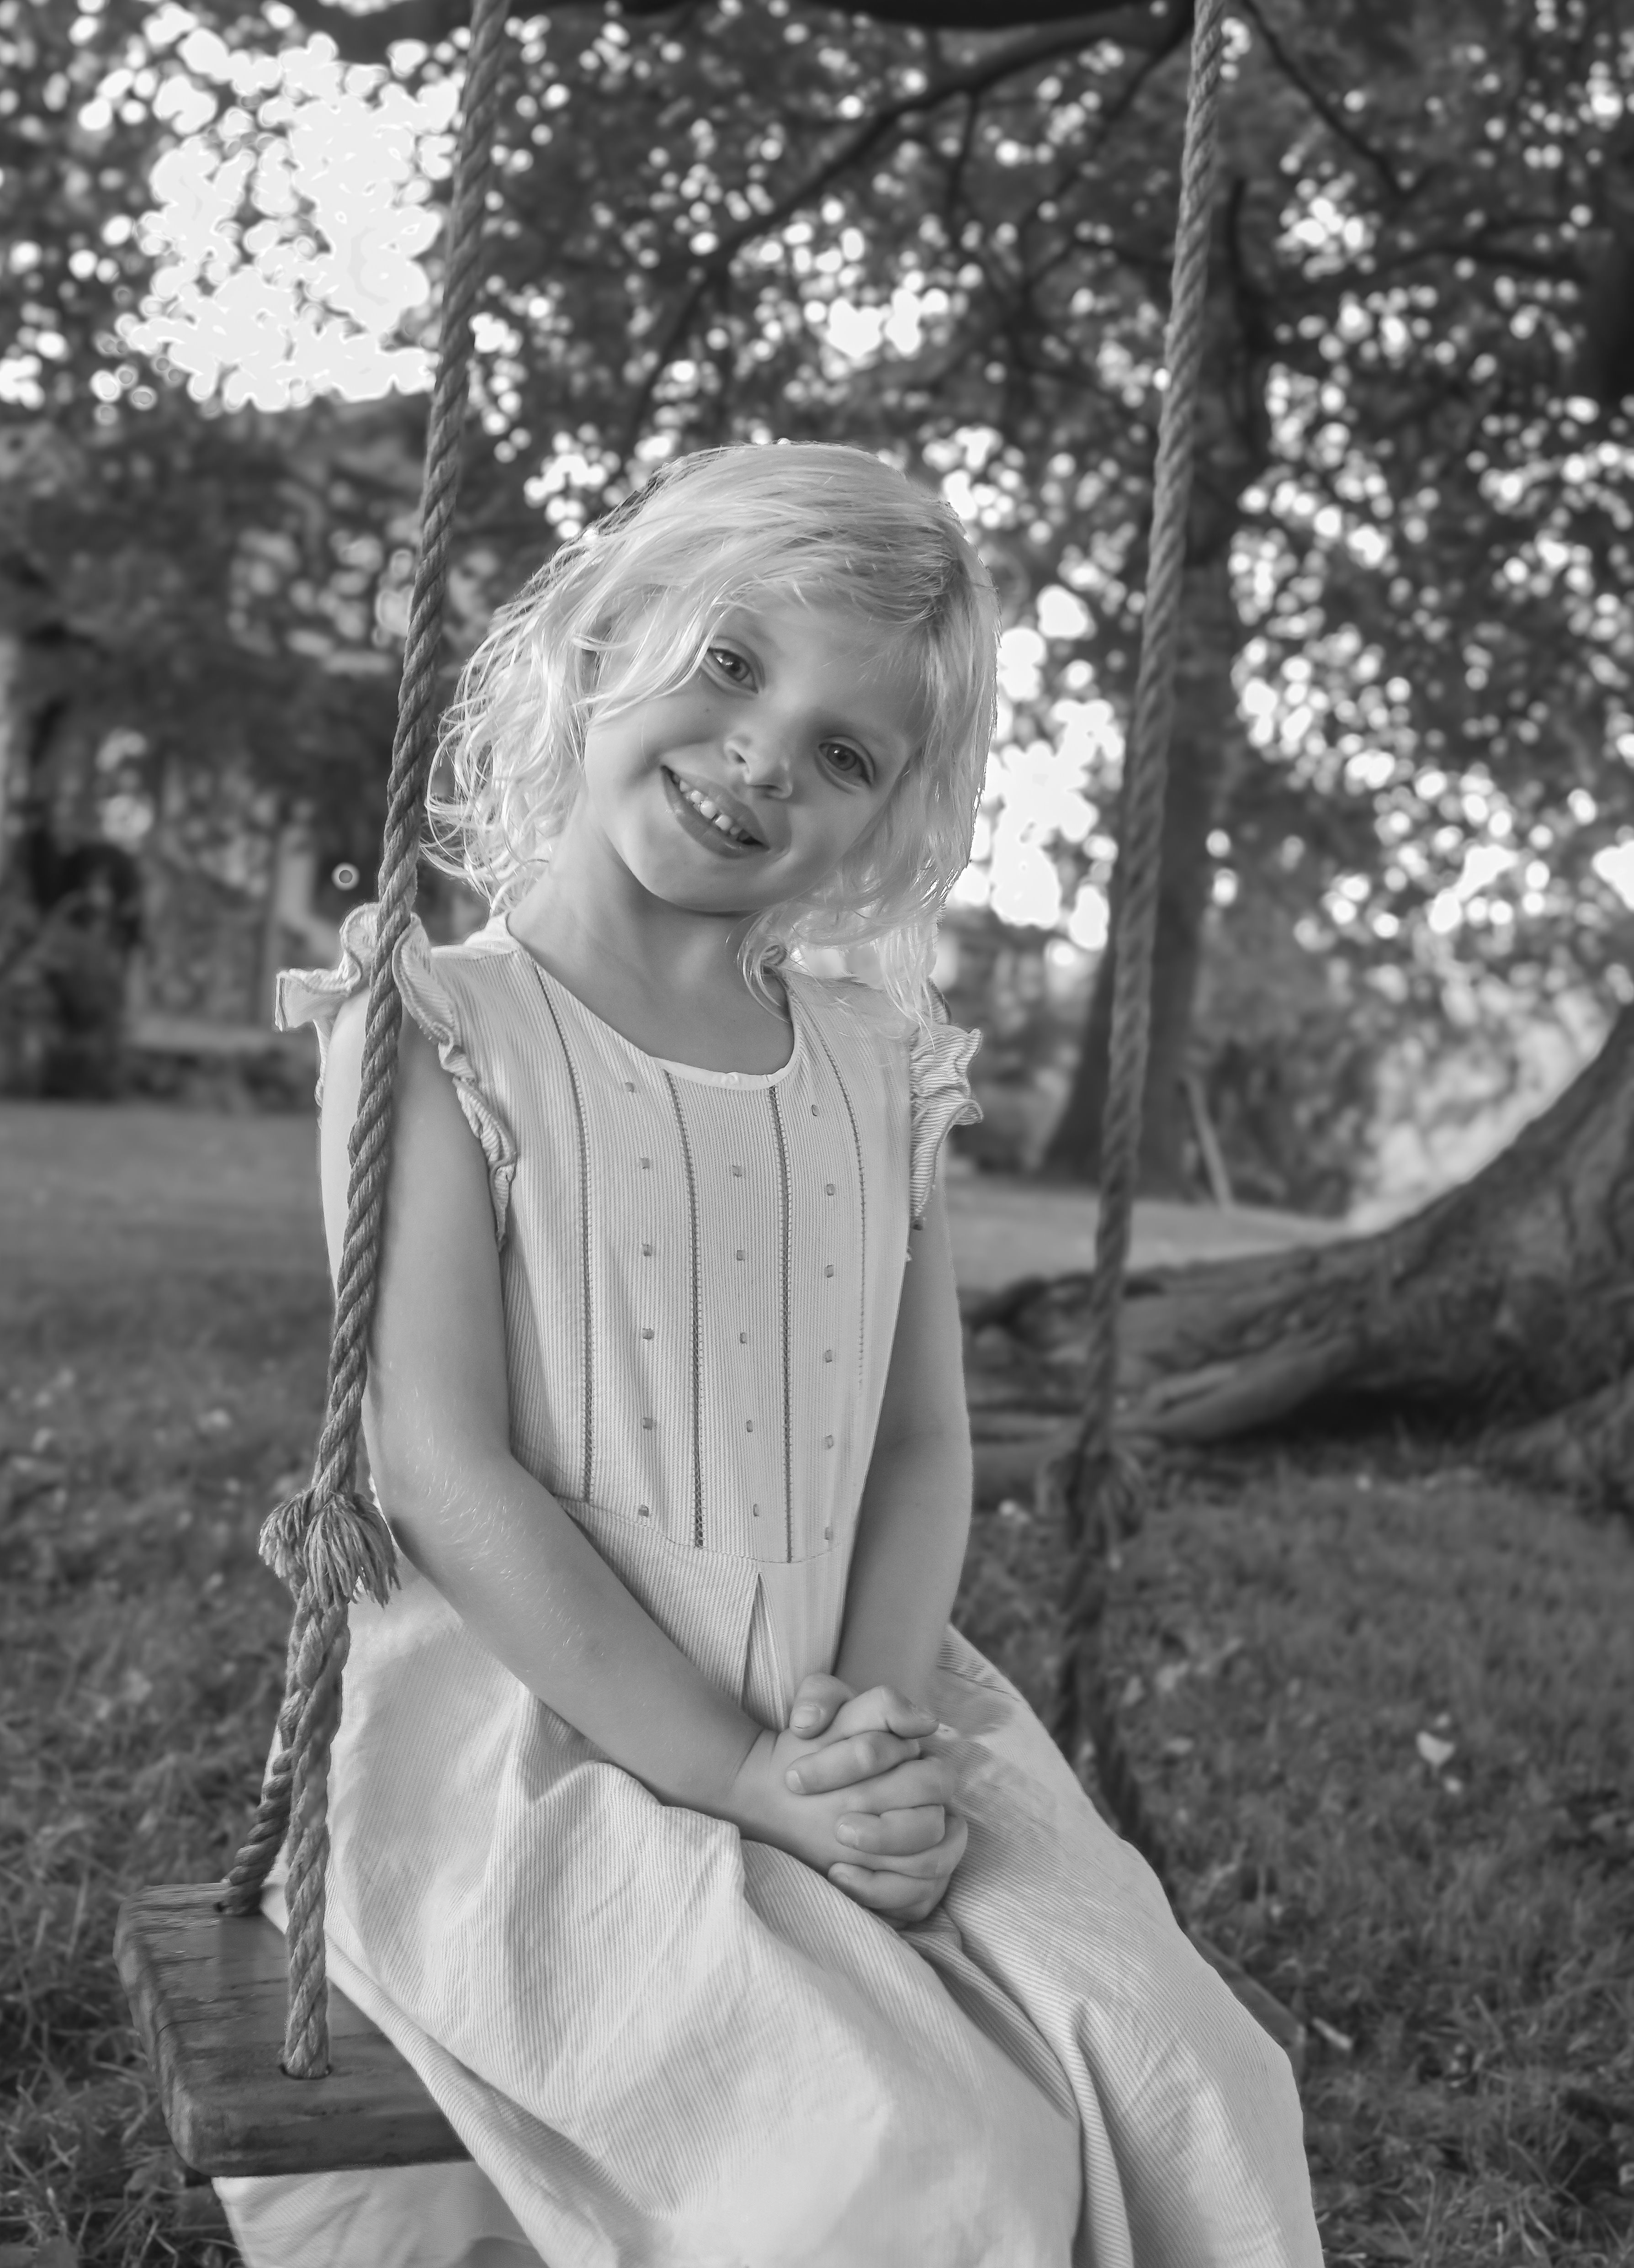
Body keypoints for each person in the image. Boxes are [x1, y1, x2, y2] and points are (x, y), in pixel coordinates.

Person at [216, 445, 1320, 2268]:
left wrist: (863, 1734)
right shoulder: (433, 1024)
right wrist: (736, 1778)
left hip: (854, 1697)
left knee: (1189, 2070)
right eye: (733, 668)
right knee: (910, 2167)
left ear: (887, 823)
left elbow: (913, 1451)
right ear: (598, 639)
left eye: (844, 752)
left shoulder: (880, 1067)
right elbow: (435, 1458)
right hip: (547, 1740)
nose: (763, 761)